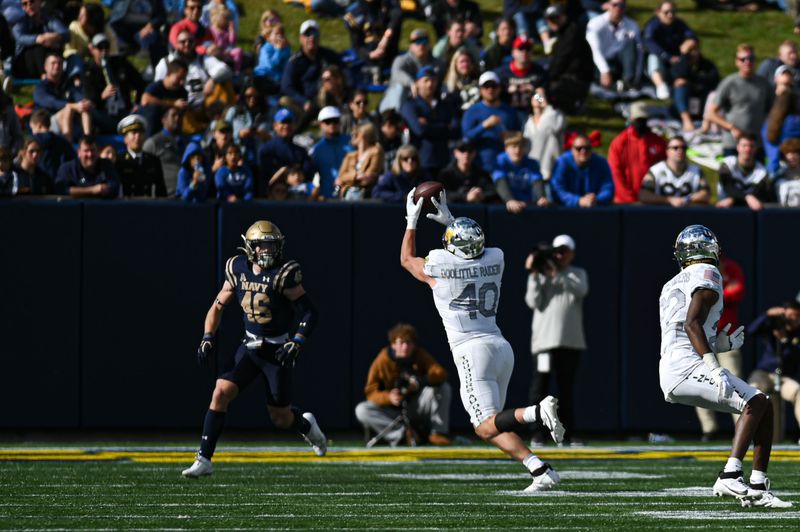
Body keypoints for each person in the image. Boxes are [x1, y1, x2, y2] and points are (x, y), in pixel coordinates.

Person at [400, 191, 566, 492]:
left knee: (483, 425)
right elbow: (473, 249)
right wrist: (452, 222)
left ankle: (536, 412)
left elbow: (406, 260)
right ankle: (540, 470)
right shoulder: (496, 257)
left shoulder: (440, 263)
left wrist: (412, 220)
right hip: (501, 347)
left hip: (471, 352)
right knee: (493, 425)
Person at [658, 224, 790, 508]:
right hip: (687, 366)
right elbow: (691, 323)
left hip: (673, 365)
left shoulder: (672, 283)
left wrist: (719, 345)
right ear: (710, 249)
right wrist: (713, 363)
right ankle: (730, 474)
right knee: (754, 401)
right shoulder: (708, 273)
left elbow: (679, 332)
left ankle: (757, 486)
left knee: (762, 404)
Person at [182, 220, 326, 478]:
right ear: (250, 247)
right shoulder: (237, 268)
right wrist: (207, 336)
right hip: (249, 347)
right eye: (262, 246)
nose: (268, 251)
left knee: (280, 418)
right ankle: (204, 458)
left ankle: (306, 425)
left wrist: (297, 341)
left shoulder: (284, 273)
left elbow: (310, 312)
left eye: (272, 245)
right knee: (220, 392)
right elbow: (217, 306)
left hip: (277, 350)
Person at [525, 234, 588, 446]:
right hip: (544, 345)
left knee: (565, 389)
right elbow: (532, 301)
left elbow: (581, 290)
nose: (560, 255)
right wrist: (535, 273)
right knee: (540, 389)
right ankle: (537, 434)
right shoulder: (540, 276)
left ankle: (568, 434)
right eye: (557, 251)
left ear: (571, 254)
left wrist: (556, 274)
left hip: (570, 344)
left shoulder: (578, 274)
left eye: (564, 251)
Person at [355, 323, 453, 446]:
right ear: (393, 344)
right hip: (393, 411)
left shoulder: (419, 355)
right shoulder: (382, 360)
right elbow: (370, 392)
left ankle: (438, 433)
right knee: (362, 410)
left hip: (416, 406)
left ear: (414, 345)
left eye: (409, 343)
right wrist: (389, 397)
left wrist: (420, 382)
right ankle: (402, 435)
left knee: (444, 388)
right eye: (401, 343)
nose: (405, 347)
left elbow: (441, 373)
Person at [695, 253, 746, 441]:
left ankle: (742, 426)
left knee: (734, 379)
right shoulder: (698, 270)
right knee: (699, 380)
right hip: (702, 336)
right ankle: (709, 429)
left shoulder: (730, 267)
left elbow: (738, 291)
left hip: (725, 334)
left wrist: (713, 293)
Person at [747, 301, 800, 443]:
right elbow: (751, 330)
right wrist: (767, 315)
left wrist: (784, 340)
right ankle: (747, 434)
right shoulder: (775, 326)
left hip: (784, 377)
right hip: (764, 373)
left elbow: (794, 355)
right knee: (753, 391)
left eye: (796, 316)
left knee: (798, 391)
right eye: (789, 316)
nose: (792, 319)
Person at [706, 44, 771, 156]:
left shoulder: (764, 84)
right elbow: (711, 113)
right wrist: (731, 127)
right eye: (743, 59)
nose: (747, 62)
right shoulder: (729, 83)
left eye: (751, 59)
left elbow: (771, 111)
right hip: (733, 142)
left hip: (756, 143)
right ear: (737, 62)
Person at [400, 65, 460, 177]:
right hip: (422, 162)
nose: (430, 84)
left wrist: (429, 125)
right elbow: (419, 130)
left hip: (444, 160)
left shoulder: (445, 105)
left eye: (433, 80)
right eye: (426, 80)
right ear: (417, 83)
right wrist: (444, 127)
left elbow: (455, 130)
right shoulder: (410, 105)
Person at [607, 101, 667, 204]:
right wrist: (630, 199)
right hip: (626, 201)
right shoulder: (620, 142)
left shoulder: (659, 142)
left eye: (643, 119)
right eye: (638, 119)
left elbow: (665, 171)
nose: (641, 122)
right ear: (631, 119)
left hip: (653, 200)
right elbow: (615, 173)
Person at [462, 71, 521, 172]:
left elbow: (518, 135)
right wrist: (484, 126)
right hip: (480, 167)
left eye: (494, 86)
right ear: (480, 90)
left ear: (499, 88)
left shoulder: (509, 111)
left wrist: (509, 136)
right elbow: (466, 138)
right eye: (486, 86)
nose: (490, 89)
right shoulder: (472, 111)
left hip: (506, 167)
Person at [543, 6, 593, 115]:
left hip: (577, 80)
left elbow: (562, 60)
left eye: (556, 18)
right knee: (537, 91)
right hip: (567, 77)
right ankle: (544, 105)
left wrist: (546, 78)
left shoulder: (572, 32)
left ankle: (570, 108)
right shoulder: (562, 34)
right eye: (550, 19)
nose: (553, 22)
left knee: (546, 89)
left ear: (564, 16)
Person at [642, 1, 695, 100]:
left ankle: (683, 82)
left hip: (675, 60)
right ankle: (661, 86)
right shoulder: (652, 26)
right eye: (666, 12)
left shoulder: (679, 24)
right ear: (658, 12)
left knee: (692, 52)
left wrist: (690, 42)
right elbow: (649, 44)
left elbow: (691, 35)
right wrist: (668, 57)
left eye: (673, 12)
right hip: (659, 60)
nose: (670, 15)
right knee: (653, 57)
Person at [585, 0, 643, 91]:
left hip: (620, 62)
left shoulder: (632, 25)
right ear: (608, 5)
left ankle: (628, 81)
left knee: (631, 43)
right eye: (615, 5)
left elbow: (639, 52)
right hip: (600, 64)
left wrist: (637, 77)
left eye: (622, 5)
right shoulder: (595, 23)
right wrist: (605, 71)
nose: (618, 8)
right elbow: (594, 50)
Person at [33, 53, 91, 143]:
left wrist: (83, 103)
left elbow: (78, 97)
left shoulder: (67, 84)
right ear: (46, 67)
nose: (57, 66)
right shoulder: (40, 88)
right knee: (69, 108)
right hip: (48, 125)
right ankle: (69, 145)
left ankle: (88, 140)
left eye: (59, 63)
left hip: (73, 124)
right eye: (53, 63)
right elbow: (52, 103)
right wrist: (73, 106)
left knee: (83, 106)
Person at [639, 136, 710, 207]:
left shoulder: (696, 171)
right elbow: (644, 195)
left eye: (683, 148)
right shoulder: (656, 171)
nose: (680, 150)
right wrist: (669, 200)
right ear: (667, 151)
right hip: (662, 214)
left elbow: (706, 194)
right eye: (675, 148)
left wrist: (686, 199)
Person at [550, 134, 614, 208]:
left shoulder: (601, 163)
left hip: (594, 209)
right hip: (566, 210)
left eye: (587, 148)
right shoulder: (562, 162)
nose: (583, 151)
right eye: (579, 148)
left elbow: (608, 187)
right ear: (572, 150)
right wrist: (578, 201)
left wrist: (597, 199)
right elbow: (557, 190)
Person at [671, 37, 719, 133]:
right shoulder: (679, 64)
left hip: (703, 102)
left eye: (695, 48)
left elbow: (713, 80)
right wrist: (684, 56)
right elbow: (679, 75)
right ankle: (686, 121)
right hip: (684, 105)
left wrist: (691, 81)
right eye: (690, 50)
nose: (694, 52)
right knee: (680, 86)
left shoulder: (708, 65)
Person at [492, 131, 547, 213]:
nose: (517, 151)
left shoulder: (532, 163)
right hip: (505, 206)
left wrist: (541, 197)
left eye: (521, 147)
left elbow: (537, 182)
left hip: (527, 205)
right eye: (513, 147)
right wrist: (510, 200)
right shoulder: (500, 161)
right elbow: (500, 182)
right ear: (506, 148)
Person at [11, 0, 68, 78]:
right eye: (25, 4)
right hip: (24, 64)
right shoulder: (20, 21)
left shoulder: (49, 18)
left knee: (52, 45)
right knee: (37, 46)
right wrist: (38, 39)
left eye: (31, 1)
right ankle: (45, 75)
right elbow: (19, 37)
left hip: (46, 59)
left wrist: (53, 37)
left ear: (40, 2)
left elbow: (65, 34)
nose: (29, 6)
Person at [116, 114, 167, 198]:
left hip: (148, 207)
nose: (138, 136)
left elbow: (161, 190)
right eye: (133, 133)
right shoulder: (119, 160)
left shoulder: (153, 160)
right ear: (125, 139)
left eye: (141, 133)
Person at [716, 134, 771, 210]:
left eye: (751, 146)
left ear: (756, 149)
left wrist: (734, 199)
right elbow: (728, 187)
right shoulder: (727, 164)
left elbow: (759, 193)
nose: (748, 149)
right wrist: (747, 197)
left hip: (750, 212)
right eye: (744, 145)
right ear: (737, 147)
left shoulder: (762, 171)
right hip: (725, 209)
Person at [54, 136, 120, 198]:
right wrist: (92, 190)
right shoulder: (67, 168)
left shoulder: (106, 165)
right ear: (79, 153)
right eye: (86, 151)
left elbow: (114, 186)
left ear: (97, 151)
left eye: (92, 150)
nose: (90, 154)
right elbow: (61, 189)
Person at [310, 106, 352, 200]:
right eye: (327, 121)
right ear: (320, 124)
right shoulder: (316, 150)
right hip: (326, 198)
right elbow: (311, 177)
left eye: (335, 120)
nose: (332, 124)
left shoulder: (351, 142)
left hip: (350, 195)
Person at [438, 138, 498, 204]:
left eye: (470, 150)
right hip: (452, 211)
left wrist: (482, 195)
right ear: (455, 153)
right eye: (462, 150)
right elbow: (442, 193)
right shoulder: (446, 173)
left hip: (476, 211)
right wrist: (465, 196)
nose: (466, 154)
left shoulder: (481, 173)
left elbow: (493, 191)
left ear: (474, 153)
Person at [523, 90, 566, 181]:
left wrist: (545, 103)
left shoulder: (553, 115)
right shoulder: (529, 121)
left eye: (541, 96)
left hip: (550, 167)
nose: (538, 97)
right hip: (532, 168)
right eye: (536, 95)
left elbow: (555, 123)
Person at [336, 122, 384, 200]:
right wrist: (357, 176)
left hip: (366, 196)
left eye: (355, 134)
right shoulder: (350, 155)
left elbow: (368, 179)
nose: (352, 136)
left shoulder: (376, 151)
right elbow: (340, 177)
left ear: (362, 135)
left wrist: (348, 178)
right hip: (347, 195)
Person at [143, 106, 184, 197]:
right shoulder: (153, 142)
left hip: (186, 195)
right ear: (164, 120)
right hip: (166, 198)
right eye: (173, 115)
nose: (177, 118)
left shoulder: (186, 142)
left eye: (179, 115)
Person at [773, 137, 800, 206]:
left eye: (795, 153)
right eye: (788, 153)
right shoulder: (780, 173)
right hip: (785, 212)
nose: (792, 157)